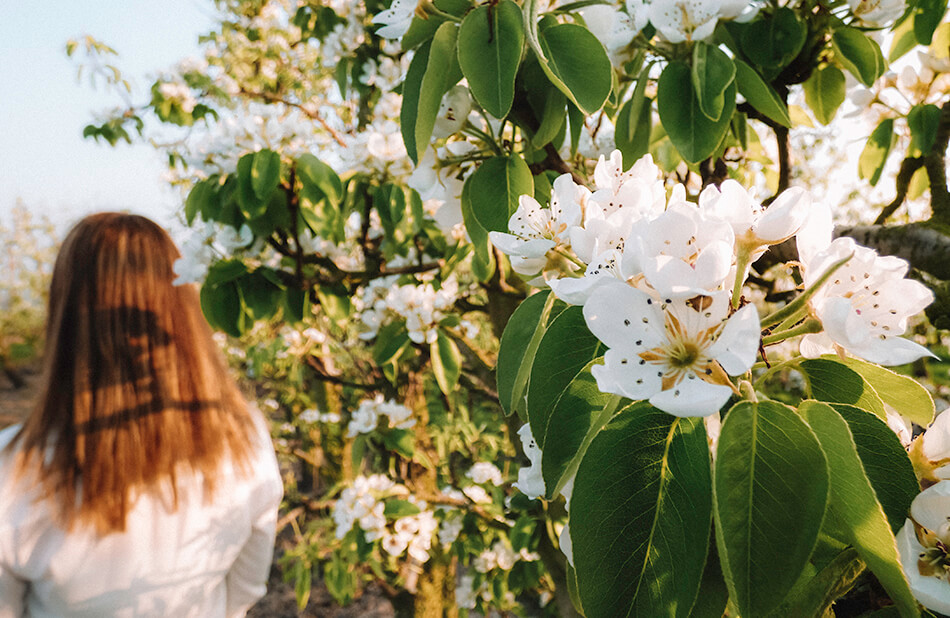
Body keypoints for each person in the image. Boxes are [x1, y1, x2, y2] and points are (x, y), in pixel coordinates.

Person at [0, 213, 283, 617]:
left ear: (64, 316)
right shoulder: (245, 437)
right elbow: (245, 588)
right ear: (183, 309)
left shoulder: (13, 467)